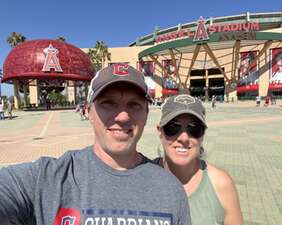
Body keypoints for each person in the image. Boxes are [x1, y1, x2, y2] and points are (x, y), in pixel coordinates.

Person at [0, 64, 191, 225]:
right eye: (108, 103)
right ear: (89, 112)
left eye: (134, 105)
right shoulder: (48, 179)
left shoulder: (171, 190)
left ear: (147, 113)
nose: (123, 116)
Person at [154, 94, 243, 225]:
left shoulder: (220, 184)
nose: (184, 138)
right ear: (160, 131)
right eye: (173, 127)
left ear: (203, 135)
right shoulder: (142, 177)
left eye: (194, 129)